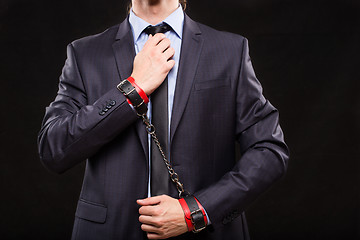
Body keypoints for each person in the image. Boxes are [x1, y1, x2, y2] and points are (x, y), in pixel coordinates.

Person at [38, 0, 289, 239]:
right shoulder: (85, 53)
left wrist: (196, 211)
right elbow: (54, 148)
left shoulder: (230, 50)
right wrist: (133, 89)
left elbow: (269, 150)